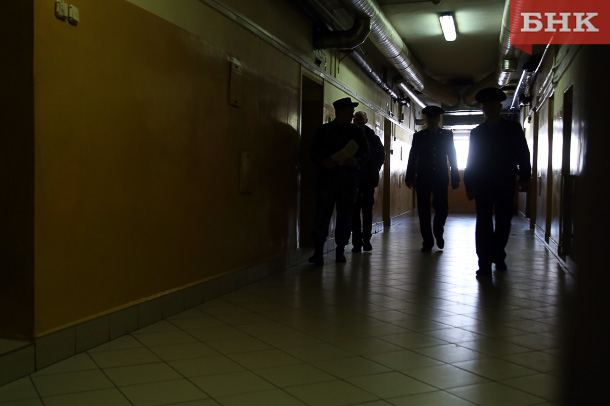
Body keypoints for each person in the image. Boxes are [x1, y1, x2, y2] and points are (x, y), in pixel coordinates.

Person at [464, 87, 531, 277]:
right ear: (483, 108)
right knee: (483, 223)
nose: (489, 108)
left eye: (492, 104)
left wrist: (525, 177)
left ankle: (498, 254)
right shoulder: (477, 132)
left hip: (505, 182)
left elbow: (523, 154)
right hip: (483, 183)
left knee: (503, 222)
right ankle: (484, 264)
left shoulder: (512, 129)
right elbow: (472, 159)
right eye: (486, 105)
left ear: (499, 106)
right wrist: (469, 184)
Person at [309, 97, 370, 265]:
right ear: (339, 112)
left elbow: (366, 153)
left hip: (348, 181)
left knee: (345, 217)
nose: (352, 115)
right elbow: (313, 152)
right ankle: (318, 251)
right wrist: (324, 161)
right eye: (349, 112)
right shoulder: (324, 131)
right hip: (327, 181)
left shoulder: (357, 132)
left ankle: (340, 250)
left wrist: (356, 161)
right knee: (322, 215)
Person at [405, 105, 460, 252]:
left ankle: (438, 231)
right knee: (423, 210)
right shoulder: (419, 136)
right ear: (426, 119)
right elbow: (412, 157)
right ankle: (427, 241)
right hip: (423, 177)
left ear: (439, 119)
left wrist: (455, 177)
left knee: (442, 208)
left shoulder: (447, 135)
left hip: (440, 177)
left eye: (435, 118)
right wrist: (409, 177)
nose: (432, 120)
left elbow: (452, 156)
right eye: (429, 118)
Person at [351, 111, 385, 253]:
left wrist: (374, 168)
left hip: (368, 179)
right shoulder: (350, 135)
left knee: (366, 210)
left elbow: (381, 155)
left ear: (366, 120)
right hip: (353, 178)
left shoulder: (373, 138)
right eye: (356, 119)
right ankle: (356, 242)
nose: (358, 121)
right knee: (354, 211)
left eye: (361, 119)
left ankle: (366, 240)